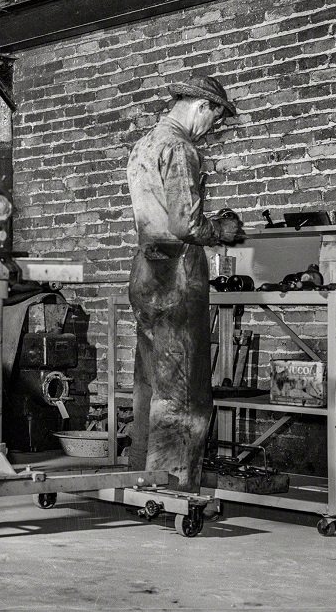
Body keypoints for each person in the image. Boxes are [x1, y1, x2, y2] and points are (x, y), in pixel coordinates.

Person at [125, 75, 244, 492]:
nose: (212, 127)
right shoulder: (179, 147)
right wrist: (221, 230)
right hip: (175, 272)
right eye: (215, 118)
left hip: (145, 268)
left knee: (150, 384)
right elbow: (185, 222)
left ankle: (140, 475)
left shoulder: (143, 145)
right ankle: (172, 489)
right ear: (202, 107)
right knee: (185, 389)